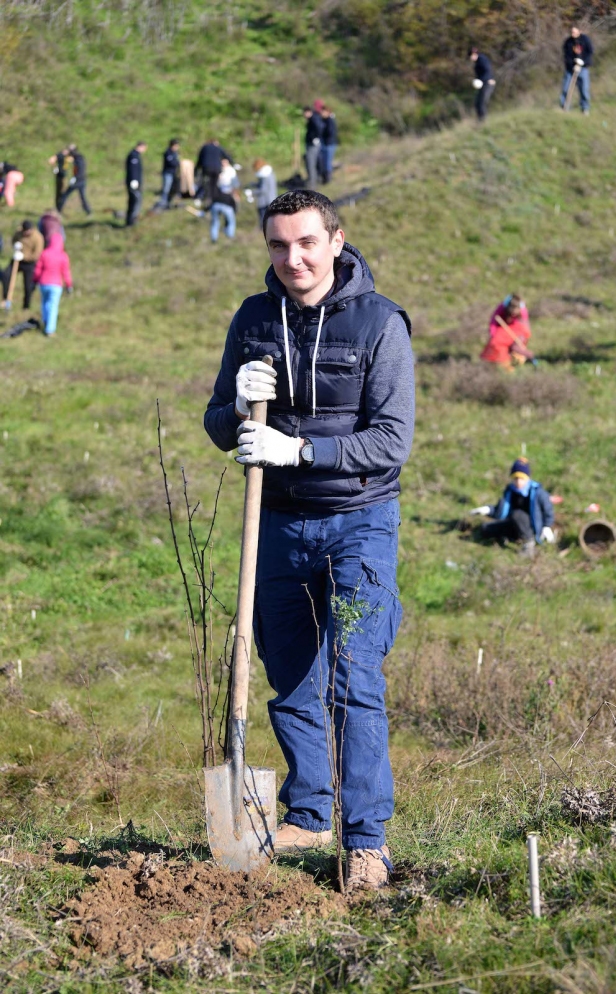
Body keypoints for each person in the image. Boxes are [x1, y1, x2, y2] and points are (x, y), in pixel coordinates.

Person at [204, 189, 415, 891]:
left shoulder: (380, 324)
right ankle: (310, 812)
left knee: (353, 677)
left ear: (335, 241)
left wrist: (297, 451)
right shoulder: (254, 318)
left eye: (305, 243)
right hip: (277, 524)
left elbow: (390, 442)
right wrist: (236, 406)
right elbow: (215, 422)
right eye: (276, 245)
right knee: (290, 677)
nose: (291, 259)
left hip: (359, 522)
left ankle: (366, 841)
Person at [471, 458, 555, 556]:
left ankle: (528, 544)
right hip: (514, 524)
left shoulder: (538, 493)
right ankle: (510, 538)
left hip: (532, 528)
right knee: (486, 528)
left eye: (521, 478)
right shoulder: (510, 491)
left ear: (527, 478)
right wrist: (487, 510)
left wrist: (546, 526)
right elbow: (501, 511)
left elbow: (548, 511)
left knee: (517, 514)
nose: (518, 481)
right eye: (516, 478)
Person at [32, 230, 72, 337]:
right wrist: (69, 285)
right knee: (53, 306)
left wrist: (34, 280)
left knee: (45, 303)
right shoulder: (63, 256)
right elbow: (66, 272)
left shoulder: (45, 253)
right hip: (56, 284)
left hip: (43, 283)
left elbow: (38, 269)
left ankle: (45, 321)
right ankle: (50, 329)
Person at [480, 293, 534, 370]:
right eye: (512, 312)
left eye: (516, 312)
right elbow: (493, 322)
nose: (514, 313)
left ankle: (527, 356)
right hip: (504, 329)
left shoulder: (523, 311)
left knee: (515, 347)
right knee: (497, 343)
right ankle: (501, 363)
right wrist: (493, 333)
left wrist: (523, 338)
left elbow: (525, 327)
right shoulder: (502, 308)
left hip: (517, 329)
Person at [1, 220, 44, 310]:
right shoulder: (19, 232)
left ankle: (26, 306)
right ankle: (6, 299)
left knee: (27, 285)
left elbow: (36, 255)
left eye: (27, 231)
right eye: (24, 231)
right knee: (6, 275)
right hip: (17, 260)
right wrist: (16, 246)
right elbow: (14, 240)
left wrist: (24, 256)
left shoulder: (38, 238)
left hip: (29, 263)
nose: (25, 233)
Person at [561, 25, 593, 114]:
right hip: (570, 69)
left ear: (579, 31)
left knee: (584, 89)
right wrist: (572, 65)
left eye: (574, 32)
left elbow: (590, 52)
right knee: (566, 88)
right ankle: (565, 107)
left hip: (583, 69)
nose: (573, 34)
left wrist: (583, 62)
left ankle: (585, 108)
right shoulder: (568, 42)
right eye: (572, 32)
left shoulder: (585, 40)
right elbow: (566, 56)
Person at [58, 145, 92, 215]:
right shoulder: (79, 158)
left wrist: (75, 178)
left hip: (78, 181)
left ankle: (58, 211)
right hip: (82, 180)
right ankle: (88, 211)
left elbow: (79, 170)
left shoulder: (78, 159)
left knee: (65, 195)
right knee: (82, 197)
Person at [195, 139, 231, 203]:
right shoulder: (218, 148)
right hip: (216, 169)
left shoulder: (205, 147)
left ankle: (204, 197)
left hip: (206, 168)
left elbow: (200, 159)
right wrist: (232, 163)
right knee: (214, 184)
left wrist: (196, 169)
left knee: (205, 183)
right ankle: (213, 198)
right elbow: (226, 156)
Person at [245, 158, 277, 227]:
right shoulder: (269, 173)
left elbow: (263, 190)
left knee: (264, 219)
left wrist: (251, 192)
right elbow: (263, 185)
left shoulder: (265, 175)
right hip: (271, 199)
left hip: (265, 201)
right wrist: (254, 184)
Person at [469, 47, 496, 122]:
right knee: (477, 103)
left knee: (481, 102)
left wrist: (481, 80)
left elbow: (487, 70)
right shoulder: (477, 62)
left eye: (473, 55)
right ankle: (480, 119)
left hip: (487, 83)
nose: (472, 57)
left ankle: (482, 120)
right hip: (483, 84)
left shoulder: (482, 59)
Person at [125, 141, 147, 227]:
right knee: (136, 200)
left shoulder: (135, 155)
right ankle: (133, 220)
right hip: (133, 183)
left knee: (133, 201)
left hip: (135, 182)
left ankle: (130, 220)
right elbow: (133, 169)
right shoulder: (133, 155)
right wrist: (134, 180)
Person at [303, 105, 324, 187]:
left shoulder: (314, 119)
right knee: (311, 163)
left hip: (313, 145)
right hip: (311, 144)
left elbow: (319, 128)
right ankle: (313, 181)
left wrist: (316, 138)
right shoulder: (312, 119)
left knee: (311, 163)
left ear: (308, 112)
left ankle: (312, 184)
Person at [158, 138, 180, 209]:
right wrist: (178, 163)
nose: (177, 147)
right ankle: (163, 202)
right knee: (166, 189)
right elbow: (171, 162)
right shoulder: (168, 152)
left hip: (173, 174)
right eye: (176, 146)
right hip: (168, 173)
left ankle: (169, 202)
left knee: (172, 189)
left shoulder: (175, 153)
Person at [320, 107, 338, 184]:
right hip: (326, 144)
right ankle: (325, 178)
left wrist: (327, 140)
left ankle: (328, 178)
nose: (322, 114)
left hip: (329, 144)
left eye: (323, 112)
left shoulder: (330, 121)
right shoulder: (324, 120)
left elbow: (331, 133)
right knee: (325, 162)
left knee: (328, 162)